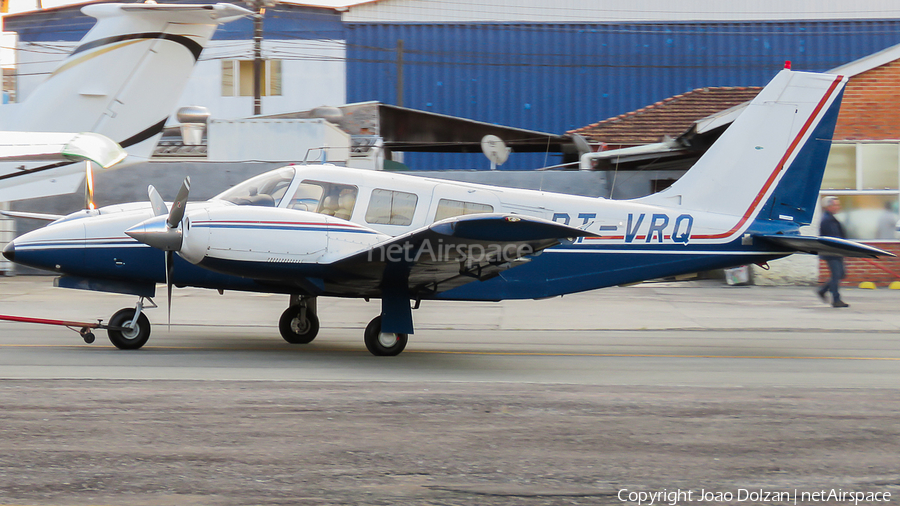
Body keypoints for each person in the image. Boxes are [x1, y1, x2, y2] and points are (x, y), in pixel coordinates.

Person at [816, 196, 849, 308]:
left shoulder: (832, 219)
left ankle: (822, 290)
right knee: (836, 275)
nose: (838, 207)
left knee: (840, 274)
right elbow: (834, 238)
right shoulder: (827, 220)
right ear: (828, 206)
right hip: (832, 252)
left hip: (836, 252)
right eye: (835, 205)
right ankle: (836, 300)